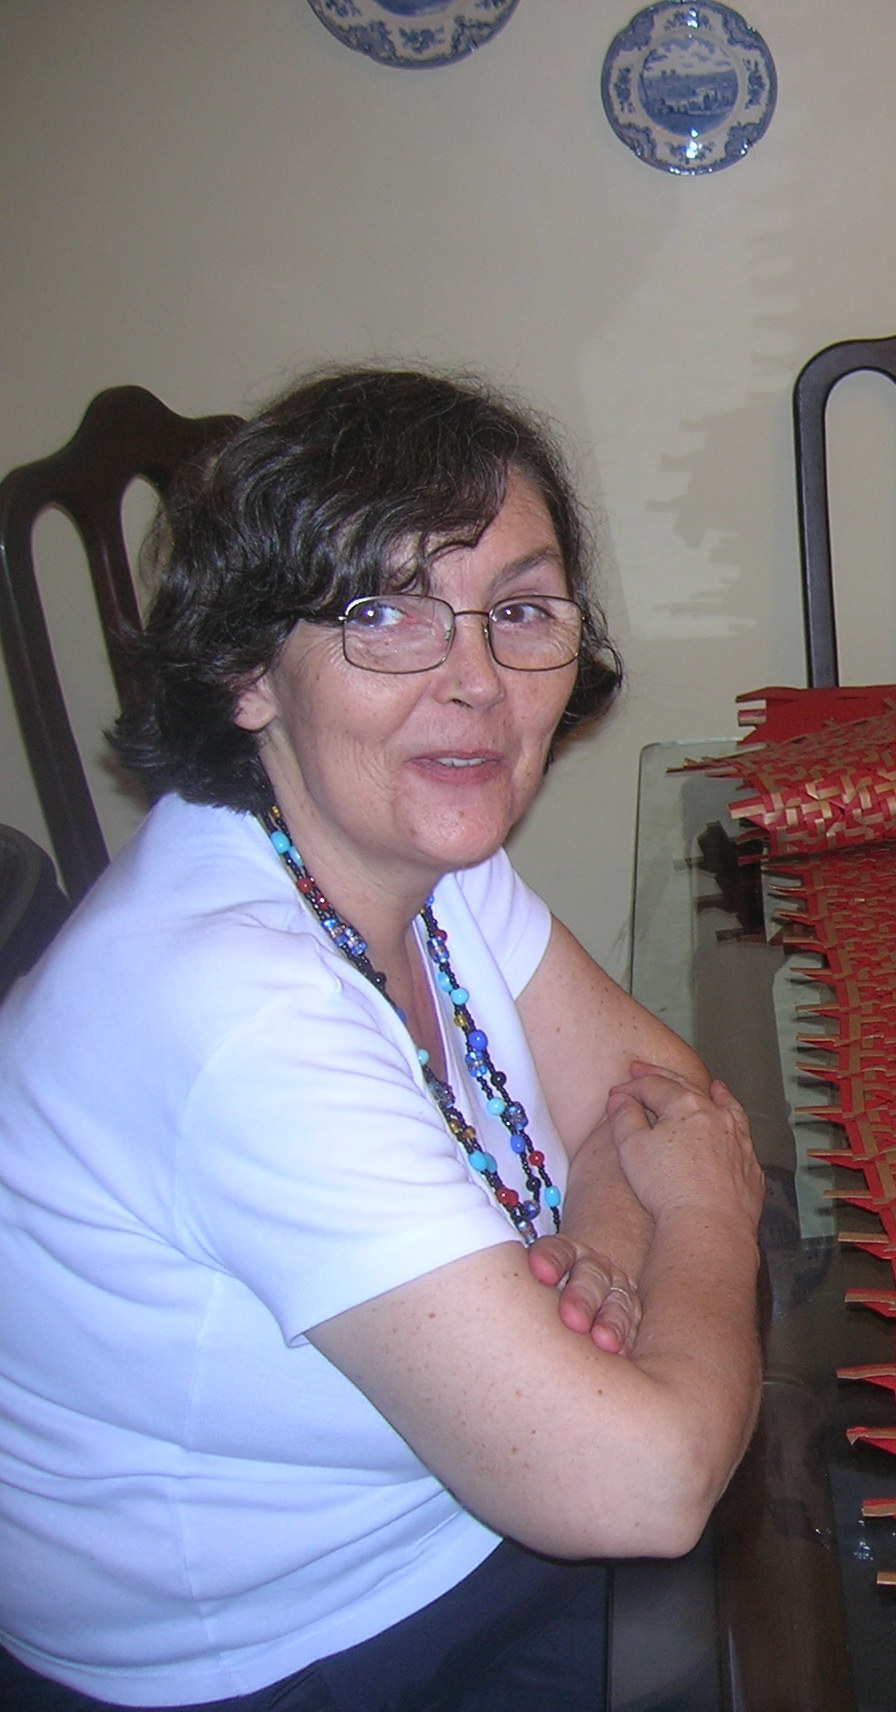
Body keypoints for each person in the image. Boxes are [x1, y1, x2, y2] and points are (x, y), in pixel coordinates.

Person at [0, 369, 766, 1710]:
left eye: (518, 611)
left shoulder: (418, 852)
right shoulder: (229, 1005)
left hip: (465, 1525)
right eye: (383, 613)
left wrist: (595, 1256)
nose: (475, 683)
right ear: (247, 671)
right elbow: (645, 1486)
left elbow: (657, 1093)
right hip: (270, 1650)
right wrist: (704, 1213)